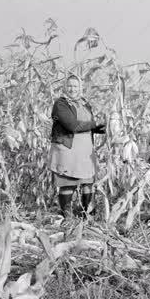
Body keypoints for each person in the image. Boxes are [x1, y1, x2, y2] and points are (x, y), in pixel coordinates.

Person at [49, 74, 105, 220]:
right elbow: (72, 125)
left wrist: (106, 128)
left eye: (75, 86)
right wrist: (95, 125)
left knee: (88, 184)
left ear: (80, 88)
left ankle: (88, 218)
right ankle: (68, 218)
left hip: (85, 151)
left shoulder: (85, 104)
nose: (72, 89)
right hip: (68, 150)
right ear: (65, 87)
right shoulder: (60, 104)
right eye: (69, 86)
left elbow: (90, 126)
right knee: (68, 184)